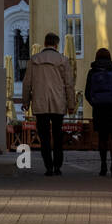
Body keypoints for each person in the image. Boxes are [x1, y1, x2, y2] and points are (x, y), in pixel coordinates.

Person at [21, 33, 76, 177]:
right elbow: (69, 84)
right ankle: (58, 166)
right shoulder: (63, 60)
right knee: (58, 136)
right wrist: (71, 104)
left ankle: (48, 167)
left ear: (45, 44)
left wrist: (26, 102)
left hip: (40, 103)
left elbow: (27, 83)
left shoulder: (34, 60)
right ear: (56, 45)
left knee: (44, 137)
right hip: (58, 103)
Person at [84, 48, 112, 178]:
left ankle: (103, 165)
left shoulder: (92, 73)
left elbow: (87, 93)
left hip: (99, 110)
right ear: (110, 57)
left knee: (102, 137)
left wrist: (95, 102)